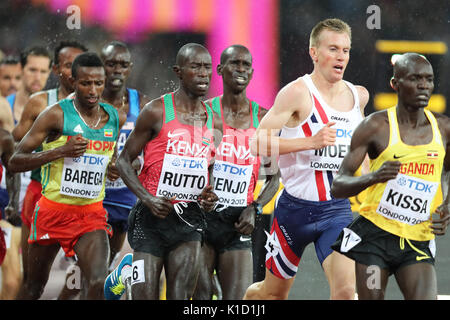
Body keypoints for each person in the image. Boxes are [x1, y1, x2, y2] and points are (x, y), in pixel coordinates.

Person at [243, 18, 369, 300]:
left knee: (347, 293)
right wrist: (310, 142)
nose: (341, 57)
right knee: (271, 294)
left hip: (337, 211)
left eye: (346, 50)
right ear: (314, 53)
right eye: (333, 49)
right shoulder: (296, 93)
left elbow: (361, 157)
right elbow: (258, 143)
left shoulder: (358, 96)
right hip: (293, 212)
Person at [330, 53, 450, 300]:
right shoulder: (375, 127)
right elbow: (338, 185)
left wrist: (446, 204)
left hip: (418, 237)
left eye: (428, 79)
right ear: (395, 84)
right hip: (375, 237)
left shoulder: (444, 128)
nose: (423, 86)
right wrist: (374, 177)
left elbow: (446, 172)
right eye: (415, 79)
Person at [10, 52, 126, 300]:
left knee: (97, 281)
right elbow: (15, 160)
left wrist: (112, 166)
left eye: (98, 83)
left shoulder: (112, 116)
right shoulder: (55, 114)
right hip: (53, 212)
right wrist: (60, 151)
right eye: (85, 83)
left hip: (91, 214)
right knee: (34, 287)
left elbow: (110, 155)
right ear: (73, 82)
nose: (93, 90)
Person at [116, 43, 218, 300]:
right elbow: (123, 161)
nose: (204, 73)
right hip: (151, 219)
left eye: (207, 67)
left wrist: (209, 193)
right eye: (195, 67)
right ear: (178, 71)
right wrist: (148, 199)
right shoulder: (156, 111)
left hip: (188, 220)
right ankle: (125, 274)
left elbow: (209, 164)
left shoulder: (211, 117)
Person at [193, 44, 280, 300]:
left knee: (239, 299)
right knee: (201, 298)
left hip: (238, 222)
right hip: (202, 219)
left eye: (246, 65)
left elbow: (274, 177)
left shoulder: (263, 119)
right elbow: (195, 162)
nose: (240, 69)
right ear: (220, 70)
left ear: (252, 72)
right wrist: (203, 191)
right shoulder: (204, 114)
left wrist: (255, 208)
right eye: (234, 63)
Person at [12, 40, 88, 298]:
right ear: (56, 69)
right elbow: (13, 149)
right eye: (69, 66)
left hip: (81, 201)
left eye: (80, 65)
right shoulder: (40, 102)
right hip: (40, 194)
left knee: (88, 272)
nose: (75, 71)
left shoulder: (98, 109)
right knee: (31, 280)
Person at [100, 41, 151, 268]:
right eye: (111, 64)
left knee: (109, 265)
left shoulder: (141, 103)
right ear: (100, 66)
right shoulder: (87, 101)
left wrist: (139, 162)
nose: (117, 70)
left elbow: (153, 150)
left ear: (130, 68)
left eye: (122, 65)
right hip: (93, 196)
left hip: (126, 197)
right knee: (92, 268)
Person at [0, 128, 21, 299]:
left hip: (1, 220)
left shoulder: (4, 139)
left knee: (13, 282)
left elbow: (12, 171)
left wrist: (13, 203)